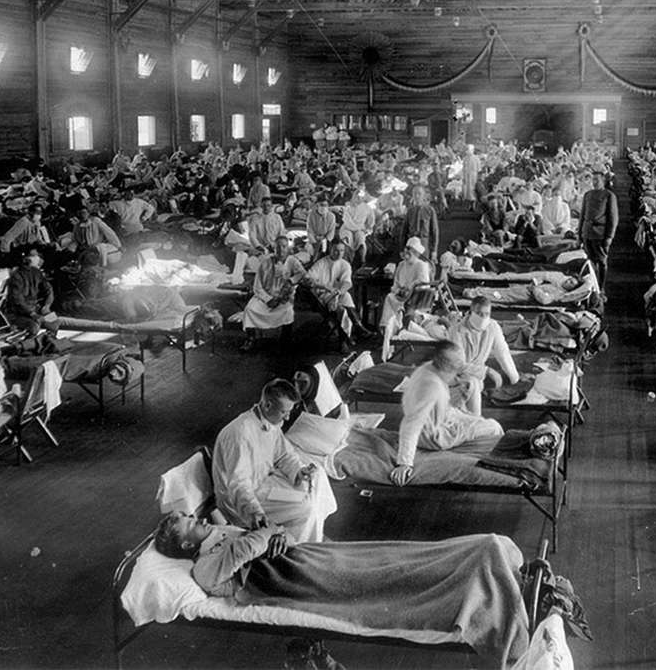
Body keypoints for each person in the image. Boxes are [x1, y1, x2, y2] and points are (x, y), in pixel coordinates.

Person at [152, 513, 530, 668]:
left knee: (388, 557)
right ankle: (481, 574)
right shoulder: (203, 565)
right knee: (386, 579)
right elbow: (250, 548)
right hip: (288, 577)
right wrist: (266, 534)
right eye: (189, 522)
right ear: (185, 545)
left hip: (304, 556)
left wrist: (276, 532)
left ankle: (485, 555)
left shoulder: (218, 536)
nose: (197, 517)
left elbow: (270, 533)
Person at [212, 378, 336, 542]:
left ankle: (310, 533)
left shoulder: (269, 421)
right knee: (306, 507)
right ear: (268, 405)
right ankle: (301, 548)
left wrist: (299, 471)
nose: (287, 418)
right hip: (242, 502)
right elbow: (238, 484)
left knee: (316, 477)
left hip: (262, 484)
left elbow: (284, 454)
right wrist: (254, 511)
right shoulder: (239, 434)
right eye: (284, 412)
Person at [391, 342, 504, 487]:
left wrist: (487, 371)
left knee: (472, 383)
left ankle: (478, 432)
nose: (459, 369)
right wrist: (404, 463)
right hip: (434, 436)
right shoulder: (431, 387)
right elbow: (411, 424)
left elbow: (462, 366)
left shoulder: (429, 367)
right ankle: (498, 464)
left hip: (443, 415)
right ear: (447, 366)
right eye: (456, 366)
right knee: (494, 426)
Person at [447, 296, 520, 415]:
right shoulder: (456, 331)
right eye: (479, 313)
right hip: (456, 375)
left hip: (476, 375)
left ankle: (473, 421)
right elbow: (458, 365)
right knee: (472, 384)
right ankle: (476, 421)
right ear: (471, 312)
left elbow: (502, 351)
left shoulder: (492, 326)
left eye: (487, 314)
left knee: (475, 383)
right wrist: (487, 371)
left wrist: (514, 378)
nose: (483, 318)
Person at [241, 236, 306, 351]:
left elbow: (302, 273)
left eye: (284, 247)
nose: (281, 250)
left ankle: (285, 340)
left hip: (283, 297)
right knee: (250, 309)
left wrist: (291, 281)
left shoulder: (292, 261)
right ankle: (250, 339)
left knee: (287, 311)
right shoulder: (265, 262)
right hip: (264, 296)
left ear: (288, 248)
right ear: (274, 249)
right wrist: (268, 299)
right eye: (278, 247)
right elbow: (257, 286)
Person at [305, 241, 369, 344]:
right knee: (342, 310)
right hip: (323, 295)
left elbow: (347, 283)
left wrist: (338, 292)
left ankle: (357, 328)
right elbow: (307, 279)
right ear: (330, 249)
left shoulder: (345, 264)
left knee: (346, 296)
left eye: (342, 250)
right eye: (336, 250)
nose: (339, 253)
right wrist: (324, 286)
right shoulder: (321, 263)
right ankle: (345, 339)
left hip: (337, 294)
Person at [5, 248, 59, 338]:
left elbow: (48, 289)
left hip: (35, 310)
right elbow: (17, 300)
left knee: (54, 320)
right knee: (34, 327)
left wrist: (46, 306)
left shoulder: (36, 272)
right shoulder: (16, 276)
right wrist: (32, 314)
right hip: (19, 314)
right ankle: (29, 347)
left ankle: (47, 344)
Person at [380, 236, 433, 327]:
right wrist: (397, 290)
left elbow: (424, 285)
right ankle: (388, 327)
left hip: (415, 298)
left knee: (404, 306)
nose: (407, 254)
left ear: (416, 253)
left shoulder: (421, 265)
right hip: (400, 296)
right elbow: (396, 282)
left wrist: (411, 287)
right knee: (389, 297)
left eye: (411, 251)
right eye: (407, 251)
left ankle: (401, 325)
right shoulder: (401, 265)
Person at [578, 171, 618, 288]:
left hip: (600, 233)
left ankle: (601, 287)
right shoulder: (588, 195)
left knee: (601, 261)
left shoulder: (609, 195)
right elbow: (582, 216)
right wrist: (580, 235)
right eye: (593, 180)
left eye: (597, 180)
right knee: (590, 262)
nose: (594, 182)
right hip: (587, 232)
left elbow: (613, 218)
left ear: (603, 181)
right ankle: (593, 287)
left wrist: (609, 236)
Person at [400, 185, 439, 261]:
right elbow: (404, 231)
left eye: (419, 194)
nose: (417, 196)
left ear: (424, 195)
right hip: (411, 241)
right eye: (414, 194)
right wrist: (402, 249)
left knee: (423, 266)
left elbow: (435, 231)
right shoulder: (410, 211)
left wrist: (434, 250)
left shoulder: (430, 210)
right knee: (410, 266)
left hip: (424, 241)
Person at [338, 189, 376, 266]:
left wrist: (369, 228)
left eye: (361, 197)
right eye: (357, 197)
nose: (359, 199)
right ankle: (346, 261)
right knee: (347, 238)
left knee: (360, 239)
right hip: (347, 228)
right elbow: (347, 221)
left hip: (360, 229)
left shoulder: (367, 207)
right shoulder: (348, 206)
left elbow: (371, 220)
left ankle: (362, 260)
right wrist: (358, 228)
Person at [460, 144, 481, 209]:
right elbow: (463, 168)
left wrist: (478, 178)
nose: (467, 151)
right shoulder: (465, 158)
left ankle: (473, 205)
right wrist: (463, 177)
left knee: (473, 190)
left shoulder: (476, 158)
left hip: (474, 176)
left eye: (468, 149)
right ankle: (469, 205)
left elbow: (479, 168)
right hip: (467, 176)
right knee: (468, 191)